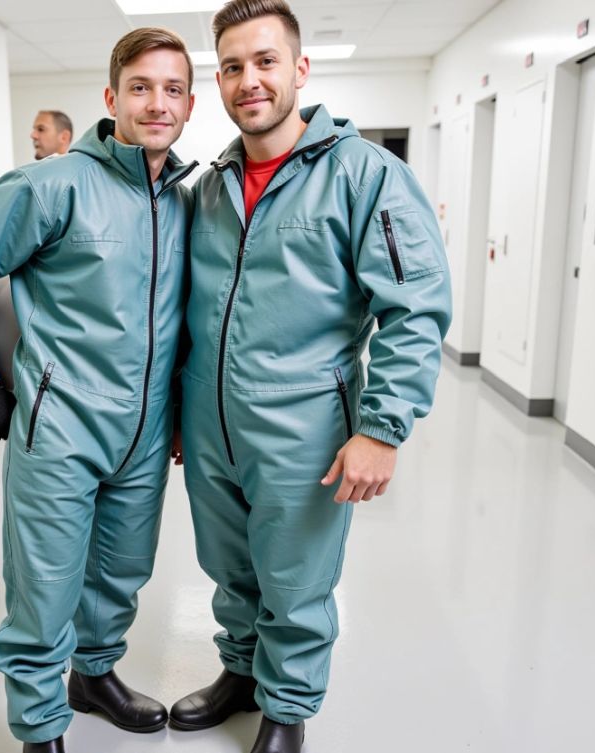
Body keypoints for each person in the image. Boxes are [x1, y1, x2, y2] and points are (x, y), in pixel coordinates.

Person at [169, 1, 452, 751]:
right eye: (233, 67)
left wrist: (381, 430)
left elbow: (415, 308)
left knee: (295, 579)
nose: (249, 81)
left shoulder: (365, 175)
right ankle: (240, 672)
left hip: (304, 424)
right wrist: (177, 412)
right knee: (229, 567)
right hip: (210, 422)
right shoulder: (210, 186)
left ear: (299, 68)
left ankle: (287, 708)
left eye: (265, 61)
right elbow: (187, 310)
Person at [0, 28, 197, 753]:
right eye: (140, 87)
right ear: (111, 97)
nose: (156, 103)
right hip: (60, 423)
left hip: (144, 433)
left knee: (118, 574)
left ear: (190, 105)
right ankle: (40, 727)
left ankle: (93, 678)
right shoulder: (53, 184)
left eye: (172, 89)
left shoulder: (185, 201)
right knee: (45, 585)